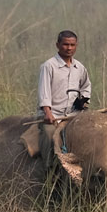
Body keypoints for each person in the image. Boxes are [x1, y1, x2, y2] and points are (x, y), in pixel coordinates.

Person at [37, 29, 92, 171]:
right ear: (58, 45)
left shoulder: (79, 67)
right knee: (49, 136)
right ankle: (50, 168)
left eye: (72, 45)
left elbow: (86, 86)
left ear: (76, 45)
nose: (69, 48)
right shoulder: (49, 66)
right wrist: (47, 112)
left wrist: (83, 101)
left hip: (73, 114)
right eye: (65, 44)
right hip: (53, 114)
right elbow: (44, 91)